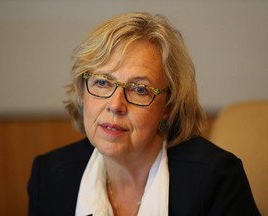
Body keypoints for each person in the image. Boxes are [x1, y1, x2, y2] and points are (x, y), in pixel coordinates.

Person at [28, 12, 260, 216]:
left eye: (140, 89)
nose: (115, 105)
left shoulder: (215, 179)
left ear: (168, 107)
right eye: (102, 82)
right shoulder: (49, 176)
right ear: (82, 91)